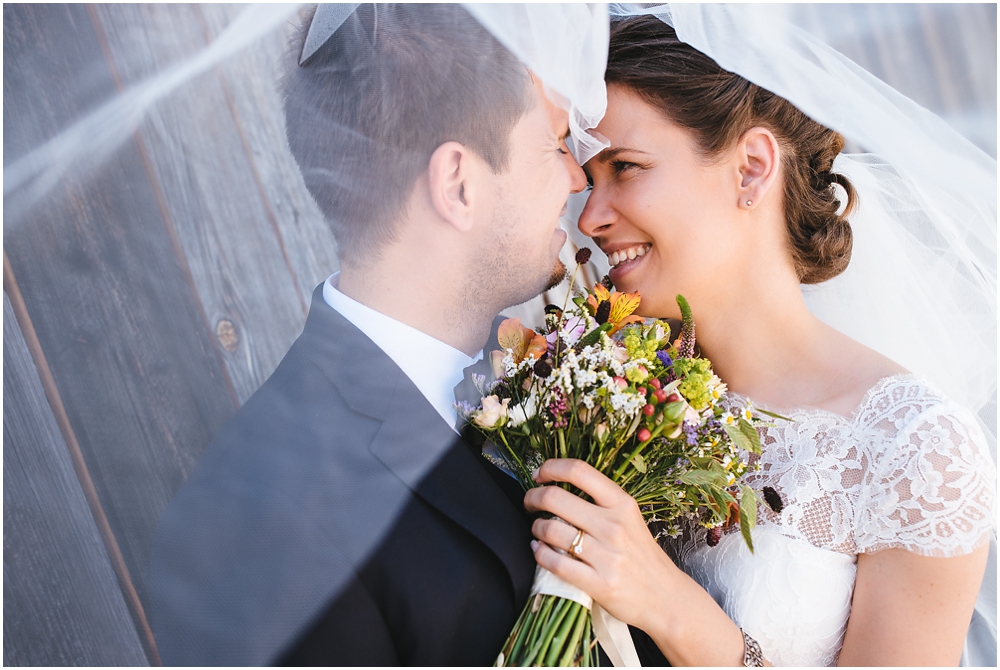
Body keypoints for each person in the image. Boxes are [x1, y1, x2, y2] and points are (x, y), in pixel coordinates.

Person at [523, 14, 996, 666]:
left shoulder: (915, 453)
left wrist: (672, 609)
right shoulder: (598, 388)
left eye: (625, 168)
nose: (590, 217)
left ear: (750, 169)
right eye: (589, 178)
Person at [148, 4, 589, 665]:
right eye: (557, 144)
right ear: (458, 185)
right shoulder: (252, 522)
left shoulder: (550, 376)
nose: (578, 177)